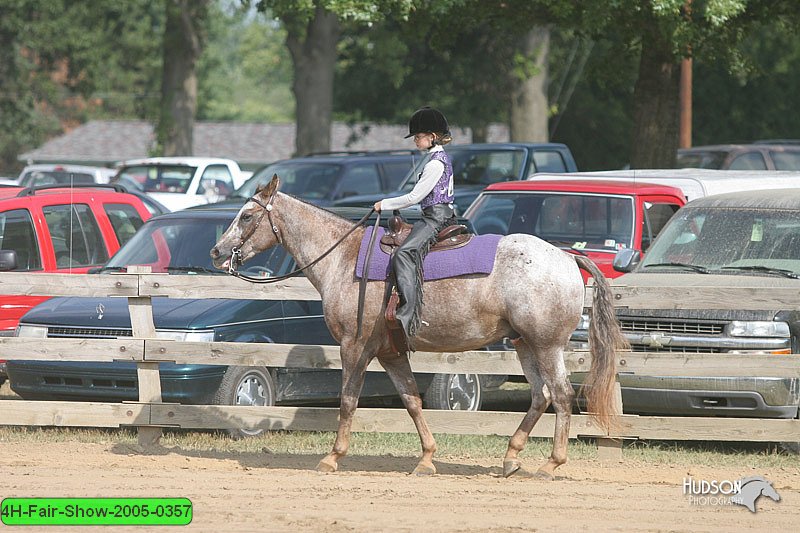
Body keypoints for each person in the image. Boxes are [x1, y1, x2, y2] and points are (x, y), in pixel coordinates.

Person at [373, 106, 455, 348]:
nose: (416, 141)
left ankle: (408, 313)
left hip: (436, 218)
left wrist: (384, 204)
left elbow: (413, 198)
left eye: (418, 136)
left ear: (432, 136)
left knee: (404, 253)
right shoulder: (434, 159)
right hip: (433, 214)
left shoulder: (435, 164)